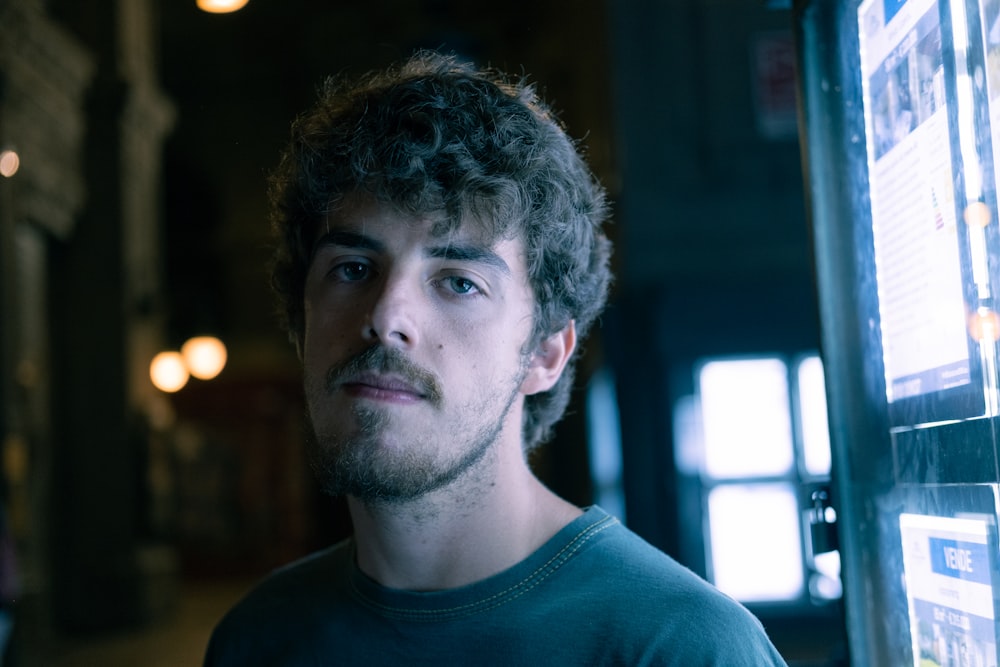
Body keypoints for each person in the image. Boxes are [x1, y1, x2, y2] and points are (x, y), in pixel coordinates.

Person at [203, 50, 788, 666]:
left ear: (545, 353)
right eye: (352, 269)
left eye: (458, 282)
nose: (385, 317)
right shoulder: (256, 640)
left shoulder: (682, 647)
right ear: (300, 324)